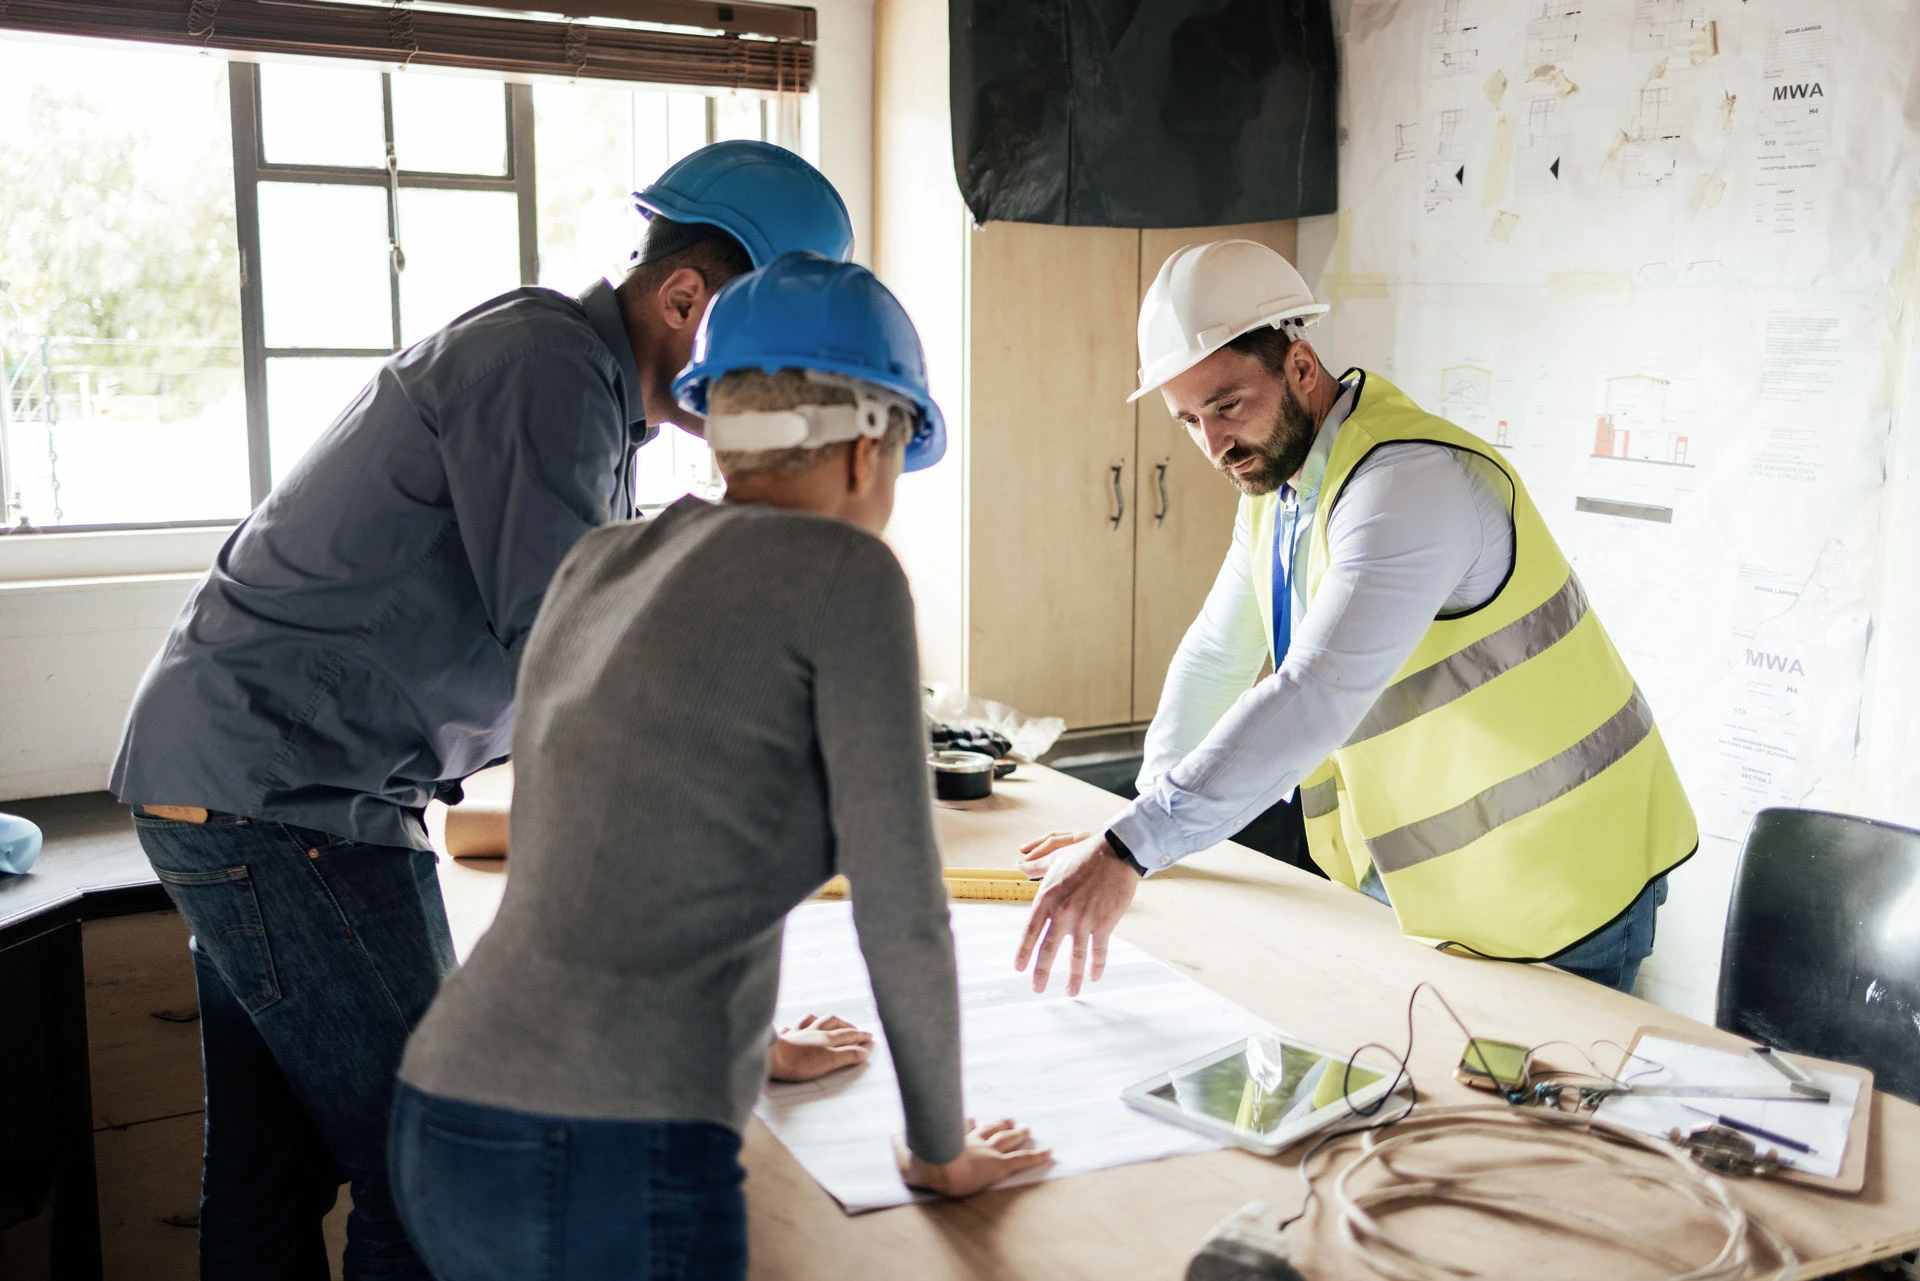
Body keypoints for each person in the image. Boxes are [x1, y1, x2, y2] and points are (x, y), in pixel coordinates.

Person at [109, 142, 854, 1280]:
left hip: (263, 785)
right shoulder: (546, 367)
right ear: (688, 296)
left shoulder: (593, 404)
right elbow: (575, 658)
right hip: (283, 797)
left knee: (272, 1179)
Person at [390, 253, 1051, 1281]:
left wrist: (760, 1046)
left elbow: (624, 846)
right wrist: (938, 1150)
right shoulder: (848, 574)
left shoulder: (602, 560)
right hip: (609, 1140)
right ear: (868, 445)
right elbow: (901, 903)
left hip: (445, 1110)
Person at [1015, 239, 1697, 998]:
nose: (1212, 446)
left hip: (1559, 884)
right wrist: (1139, 828)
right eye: (1186, 421)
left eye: (1227, 405)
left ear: (1300, 366)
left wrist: (1129, 849)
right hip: (1430, 886)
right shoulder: (1284, 487)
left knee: (1512, 1117)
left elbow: (1314, 692)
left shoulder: (1407, 483)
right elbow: (1216, 654)